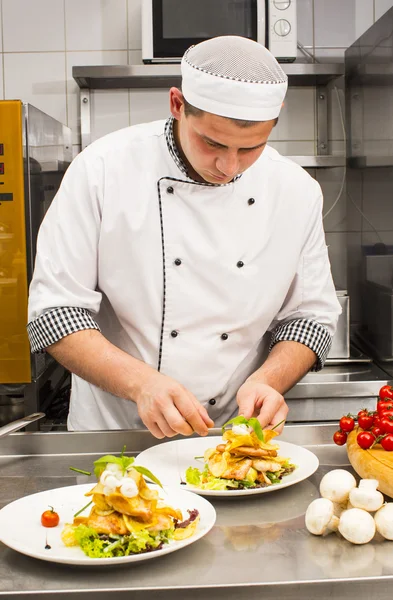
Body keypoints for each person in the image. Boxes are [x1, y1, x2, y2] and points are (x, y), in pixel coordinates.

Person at [27, 36, 341, 437]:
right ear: (177, 104)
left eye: (252, 148)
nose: (229, 166)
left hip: (233, 435)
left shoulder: (296, 190)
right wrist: (142, 384)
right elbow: (55, 313)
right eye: (212, 142)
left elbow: (310, 317)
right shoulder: (103, 170)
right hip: (118, 432)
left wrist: (268, 381)